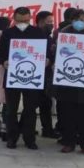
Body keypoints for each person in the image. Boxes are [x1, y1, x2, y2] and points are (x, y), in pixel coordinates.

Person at [0, 6, 51, 150]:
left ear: (30, 19)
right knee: (11, 109)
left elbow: (48, 50)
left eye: (26, 20)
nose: (23, 23)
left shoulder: (38, 32)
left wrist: (48, 60)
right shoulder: (8, 33)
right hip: (12, 77)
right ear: (14, 19)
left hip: (33, 78)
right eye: (20, 20)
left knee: (30, 109)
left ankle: (29, 138)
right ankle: (11, 138)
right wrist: (4, 61)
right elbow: (0, 52)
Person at [54, 9, 84, 154]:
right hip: (67, 80)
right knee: (67, 113)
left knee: (83, 114)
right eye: (77, 19)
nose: (80, 22)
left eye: (83, 19)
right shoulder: (65, 32)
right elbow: (55, 50)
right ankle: (69, 142)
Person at [34, 11, 59, 139]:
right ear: (41, 22)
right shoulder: (34, 35)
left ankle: (47, 129)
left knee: (45, 103)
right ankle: (24, 127)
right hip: (34, 76)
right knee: (34, 103)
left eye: (52, 22)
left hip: (46, 75)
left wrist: (51, 57)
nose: (52, 25)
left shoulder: (48, 37)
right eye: (49, 22)